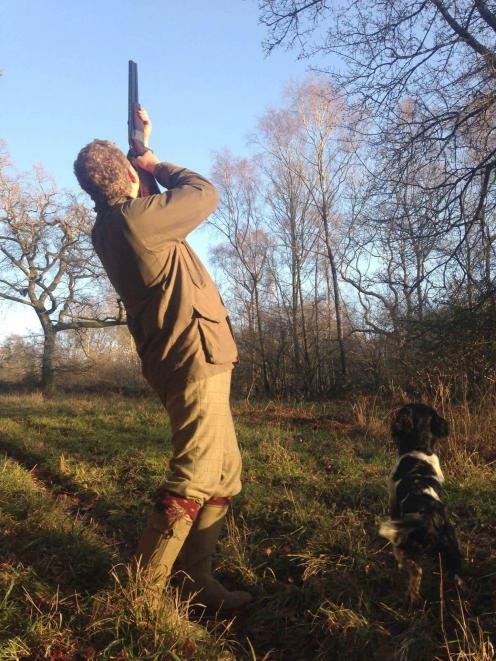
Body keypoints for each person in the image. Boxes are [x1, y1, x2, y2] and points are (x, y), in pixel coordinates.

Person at [73, 109, 251, 610]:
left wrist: (140, 151)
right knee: (195, 472)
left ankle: (198, 581)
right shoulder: (135, 222)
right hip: (191, 357)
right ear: (129, 178)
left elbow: (148, 204)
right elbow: (205, 193)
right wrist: (158, 162)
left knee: (224, 471)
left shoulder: (116, 224)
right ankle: (141, 594)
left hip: (194, 355)